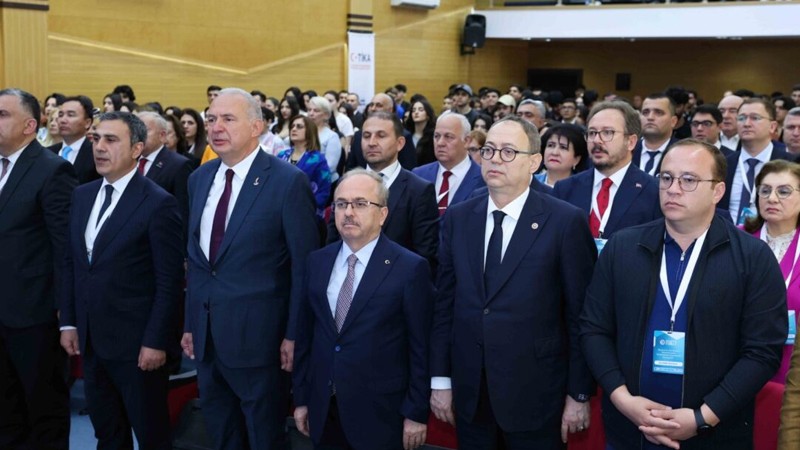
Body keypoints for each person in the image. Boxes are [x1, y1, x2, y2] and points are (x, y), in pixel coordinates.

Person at [581, 138, 787, 449]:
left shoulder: (752, 257)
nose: (673, 188)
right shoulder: (623, 247)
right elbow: (594, 328)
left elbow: (762, 351)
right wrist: (622, 399)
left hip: (716, 432)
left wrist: (703, 417)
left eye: (688, 179)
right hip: (629, 428)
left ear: (717, 191)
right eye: (666, 178)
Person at [430, 115, 597, 449]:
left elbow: (581, 315)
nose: (494, 159)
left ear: (534, 162)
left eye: (508, 152)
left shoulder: (565, 222)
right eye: (489, 150)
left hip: (537, 394)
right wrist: (440, 380)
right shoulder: (460, 218)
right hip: (470, 392)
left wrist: (579, 394)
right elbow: (444, 305)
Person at [182, 88, 319, 449]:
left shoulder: (287, 182)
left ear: (257, 126)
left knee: (263, 438)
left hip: (261, 341)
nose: (215, 127)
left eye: (228, 118)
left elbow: (304, 267)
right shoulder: (199, 179)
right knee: (221, 434)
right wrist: (190, 323)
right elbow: (197, 263)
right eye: (211, 118)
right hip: (208, 338)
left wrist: (294, 333)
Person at [60, 111, 183, 450]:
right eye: (96, 138)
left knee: (151, 435)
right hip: (91, 340)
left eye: (111, 140)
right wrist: (69, 322)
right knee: (107, 434)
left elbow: (169, 282)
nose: (99, 147)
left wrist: (156, 341)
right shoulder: (82, 195)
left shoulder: (159, 203)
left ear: (136, 149)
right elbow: (73, 263)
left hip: (138, 345)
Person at [293, 169, 433, 450]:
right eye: (341, 204)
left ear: (382, 214)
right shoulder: (317, 262)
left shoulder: (409, 268)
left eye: (360, 203)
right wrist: (302, 398)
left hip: (381, 413)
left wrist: (416, 412)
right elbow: (306, 335)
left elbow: (421, 346)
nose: (348, 212)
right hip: (325, 407)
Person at [0, 88, 76, 450]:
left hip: (34, 316)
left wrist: (67, 315)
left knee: (43, 412)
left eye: (3, 114)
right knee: (6, 413)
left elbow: (64, 248)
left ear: (30, 125)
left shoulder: (52, 170)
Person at [328, 111, 439, 272]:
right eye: (366, 136)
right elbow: (333, 240)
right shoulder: (345, 183)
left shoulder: (419, 190)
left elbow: (425, 255)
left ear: (400, 143)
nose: (372, 142)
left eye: (381, 136)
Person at [553, 101, 661, 243]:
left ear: (631, 142)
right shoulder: (565, 189)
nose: (597, 140)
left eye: (607, 132)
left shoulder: (654, 191)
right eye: (592, 133)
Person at [742, 160, 800, 383]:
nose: (772, 198)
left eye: (783, 191)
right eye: (765, 190)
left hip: (792, 367)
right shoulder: (736, 239)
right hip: (737, 362)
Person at [720, 98, 794, 225]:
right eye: (742, 118)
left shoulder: (791, 164)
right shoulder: (724, 164)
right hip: (728, 237)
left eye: (755, 118)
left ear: (772, 126)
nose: (747, 123)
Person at [413, 113, 485, 215]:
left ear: (466, 141)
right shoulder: (418, 175)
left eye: (448, 137)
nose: (440, 143)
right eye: (437, 136)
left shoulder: (484, 179)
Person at [136, 111, 194, 237]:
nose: (137, 135)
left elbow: (182, 212)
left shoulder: (179, 165)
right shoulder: (128, 161)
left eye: (144, 130)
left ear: (162, 135)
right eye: (134, 130)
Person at [276, 115, 332, 217]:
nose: (294, 129)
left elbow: (324, 192)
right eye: (292, 126)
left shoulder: (318, 159)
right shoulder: (282, 155)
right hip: (279, 212)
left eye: (299, 126)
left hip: (305, 214)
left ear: (309, 131)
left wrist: (306, 210)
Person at [346, 93, 418, 171]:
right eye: (371, 105)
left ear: (390, 110)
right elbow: (351, 167)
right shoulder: (358, 135)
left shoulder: (403, 135)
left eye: (379, 105)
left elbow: (409, 167)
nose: (373, 108)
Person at [50, 95, 101, 184]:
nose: (63, 120)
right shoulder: (49, 152)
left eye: (70, 115)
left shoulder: (96, 154)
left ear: (87, 123)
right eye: (61, 115)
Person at [632, 94, 679, 176]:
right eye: (645, 112)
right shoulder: (626, 151)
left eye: (658, 113)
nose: (650, 117)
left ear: (673, 121)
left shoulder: (682, 153)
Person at [307, 96, 343, 182]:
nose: (311, 113)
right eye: (309, 110)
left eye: (316, 111)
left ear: (326, 115)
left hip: (325, 182)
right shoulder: (303, 133)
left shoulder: (331, 136)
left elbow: (330, 166)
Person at [405, 98, 437, 166]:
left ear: (428, 115)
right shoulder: (406, 135)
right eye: (413, 110)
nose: (416, 112)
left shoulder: (433, 136)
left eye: (421, 110)